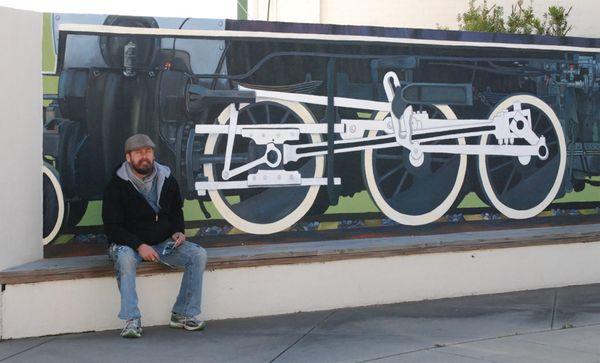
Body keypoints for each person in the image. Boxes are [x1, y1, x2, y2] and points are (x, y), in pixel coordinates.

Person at [102, 133, 208, 338]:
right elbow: (112, 228)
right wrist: (139, 245)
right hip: (128, 245)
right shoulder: (116, 186)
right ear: (128, 157)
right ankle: (132, 320)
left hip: (162, 243)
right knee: (124, 258)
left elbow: (176, 210)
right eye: (139, 153)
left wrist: (178, 231)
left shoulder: (167, 179)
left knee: (198, 255)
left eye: (148, 152)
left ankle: (183, 314)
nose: (144, 156)